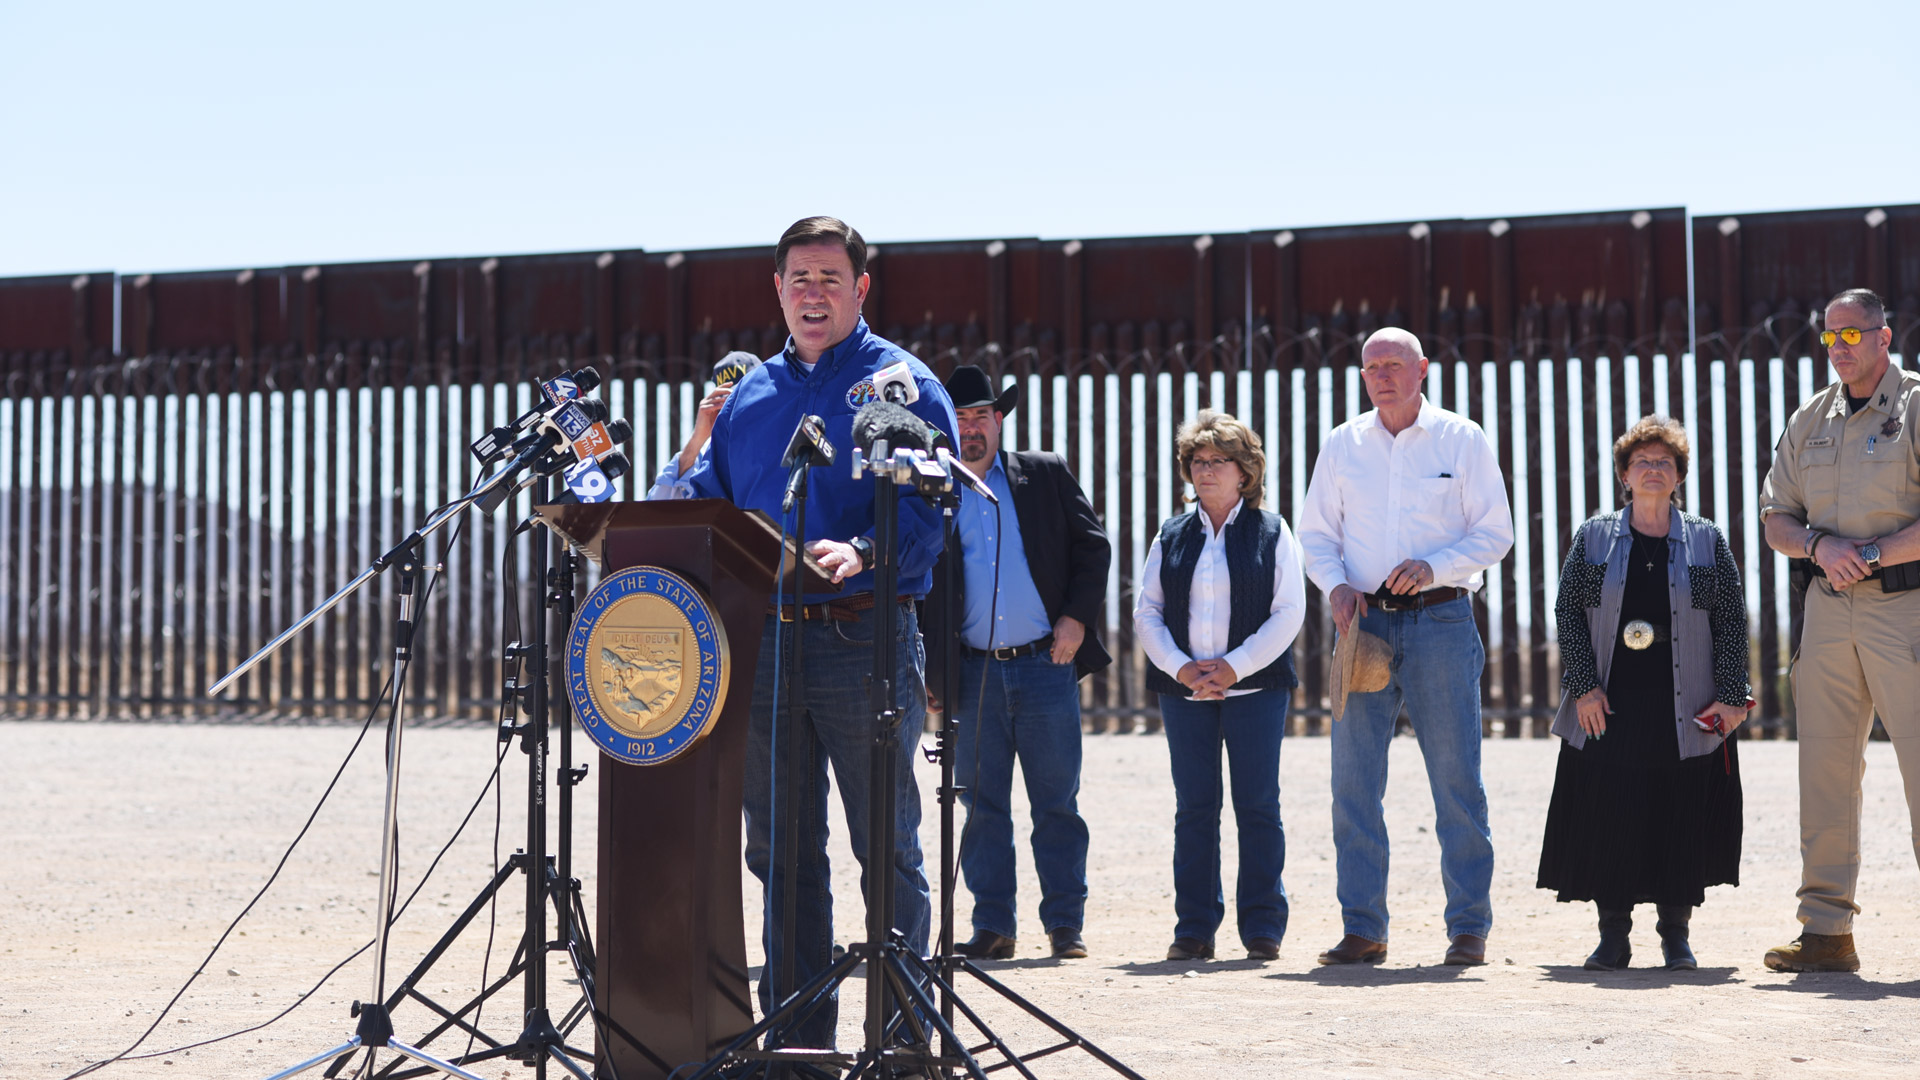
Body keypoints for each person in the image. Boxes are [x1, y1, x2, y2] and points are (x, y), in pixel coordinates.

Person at [653, 216, 957, 1042]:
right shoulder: (749, 400)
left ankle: (900, 1041)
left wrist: (864, 549)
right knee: (783, 858)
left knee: (886, 853)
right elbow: (703, 510)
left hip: (866, 640)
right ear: (776, 290)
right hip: (765, 646)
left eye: (830, 279)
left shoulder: (902, 383)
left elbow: (935, 510)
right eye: (799, 279)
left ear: (861, 289)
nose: (813, 294)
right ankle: (799, 1041)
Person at [1296, 326, 1514, 967]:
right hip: (1361, 629)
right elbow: (1315, 535)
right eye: (1371, 367)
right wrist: (1334, 586)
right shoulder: (1343, 444)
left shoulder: (1461, 438)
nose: (1382, 375)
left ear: (1423, 368)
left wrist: (1436, 565)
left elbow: (1494, 534)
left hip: (1441, 622)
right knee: (1354, 783)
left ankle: (1468, 927)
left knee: (1455, 778)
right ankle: (1364, 927)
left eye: (1394, 363)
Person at [1537, 415, 1751, 970]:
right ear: (1624, 476)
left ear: (1679, 475)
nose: (1653, 470)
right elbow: (1568, 613)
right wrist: (1582, 687)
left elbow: (1729, 617)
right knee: (1614, 815)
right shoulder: (1595, 536)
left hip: (1687, 703)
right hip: (1611, 704)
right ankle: (1613, 938)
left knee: (1679, 814)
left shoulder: (1706, 539)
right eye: (1642, 463)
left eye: (1664, 462)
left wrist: (1732, 696)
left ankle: (1675, 938)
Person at [922, 365, 1112, 962]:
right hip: (971, 672)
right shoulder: (932, 488)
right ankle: (994, 927)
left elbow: (1093, 545)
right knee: (981, 806)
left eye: (980, 416)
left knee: (1057, 802)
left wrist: (1077, 618)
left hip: (1045, 663)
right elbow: (919, 582)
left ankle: (1065, 925)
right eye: (958, 419)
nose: (970, 428)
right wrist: (934, 672)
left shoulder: (1044, 473)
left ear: (999, 419)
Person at [1757, 286, 1920, 973]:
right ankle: (1826, 932)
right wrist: (1819, 546)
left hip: (1904, 607)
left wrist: (1875, 554)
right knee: (1822, 769)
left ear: (1885, 337)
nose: (1839, 348)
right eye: (1829, 337)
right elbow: (1775, 516)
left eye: (1852, 335)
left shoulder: (1915, 406)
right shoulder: (1809, 419)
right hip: (1828, 610)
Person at [1134, 409, 1306, 962]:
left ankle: (1262, 928)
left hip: (1256, 691)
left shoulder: (1274, 531)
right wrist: (1183, 669)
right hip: (1184, 693)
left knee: (1258, 806)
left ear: (1245, 471)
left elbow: (1289, 612)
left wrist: (1233, 667)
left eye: (1218, 461)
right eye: (1197, 461)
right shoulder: (1172, 534)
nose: (1205, 471)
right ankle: (1194, 928)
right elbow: (1148, 612)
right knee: (1195, 808)